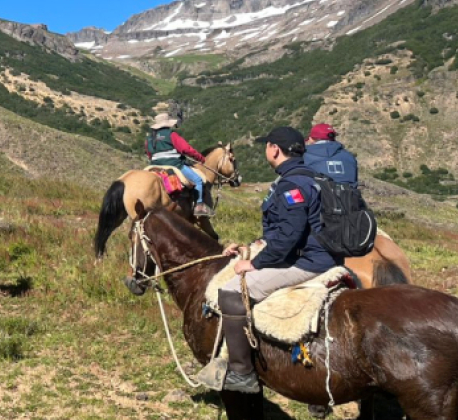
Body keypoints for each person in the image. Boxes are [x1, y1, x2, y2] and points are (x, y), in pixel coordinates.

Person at [202, 127, 338, 394]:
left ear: (275, 149)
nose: (266, 150)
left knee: (230, 292)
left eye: (267, 146)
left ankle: (242, 373)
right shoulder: (312, 176)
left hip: (307, 262)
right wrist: (253, 246)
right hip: (319, 253)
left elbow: (290, 235)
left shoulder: (291, 184)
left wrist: (255, 263)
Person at [145, 112, 211, 217]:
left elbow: (149, 154)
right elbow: (186, 149)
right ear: (168, 124)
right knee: (198, 180)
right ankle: (199, 207)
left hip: (154, 165)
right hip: (174, 164)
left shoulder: (149, 139)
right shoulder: (171, 135)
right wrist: (200, 158)